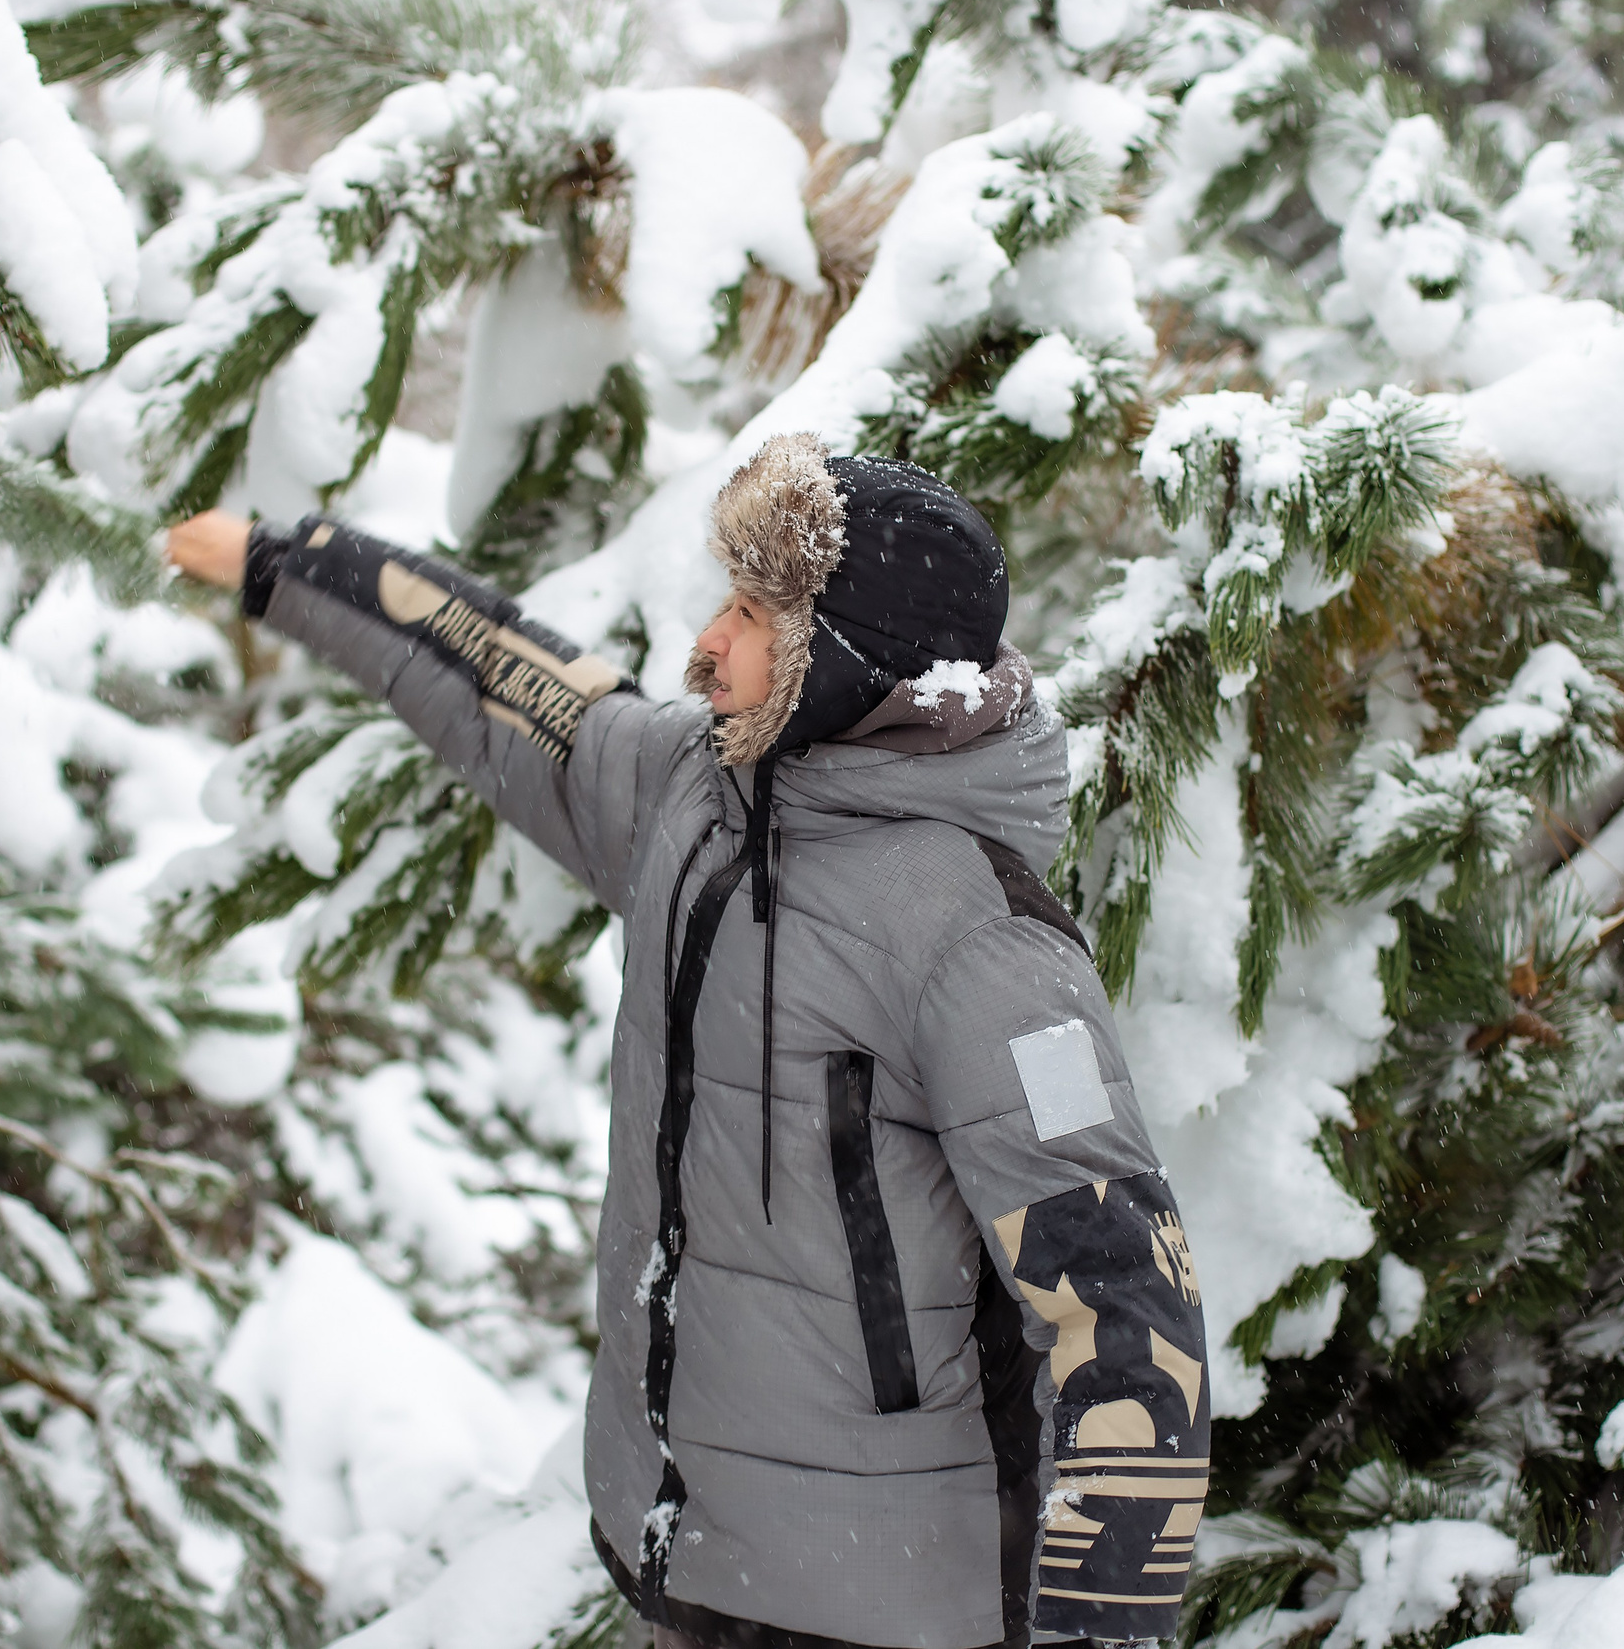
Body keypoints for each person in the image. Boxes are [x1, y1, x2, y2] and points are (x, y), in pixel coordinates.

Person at [168, 435, 1210, 1649]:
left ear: (846, 661)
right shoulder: (697, 792)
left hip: (880, 1612)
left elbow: (1124, 1310)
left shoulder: (979, 943)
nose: (709, 641)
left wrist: (1096, 1631)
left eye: (756, 612)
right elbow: (510, 682)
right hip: (690, 1557)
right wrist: (290, 565)